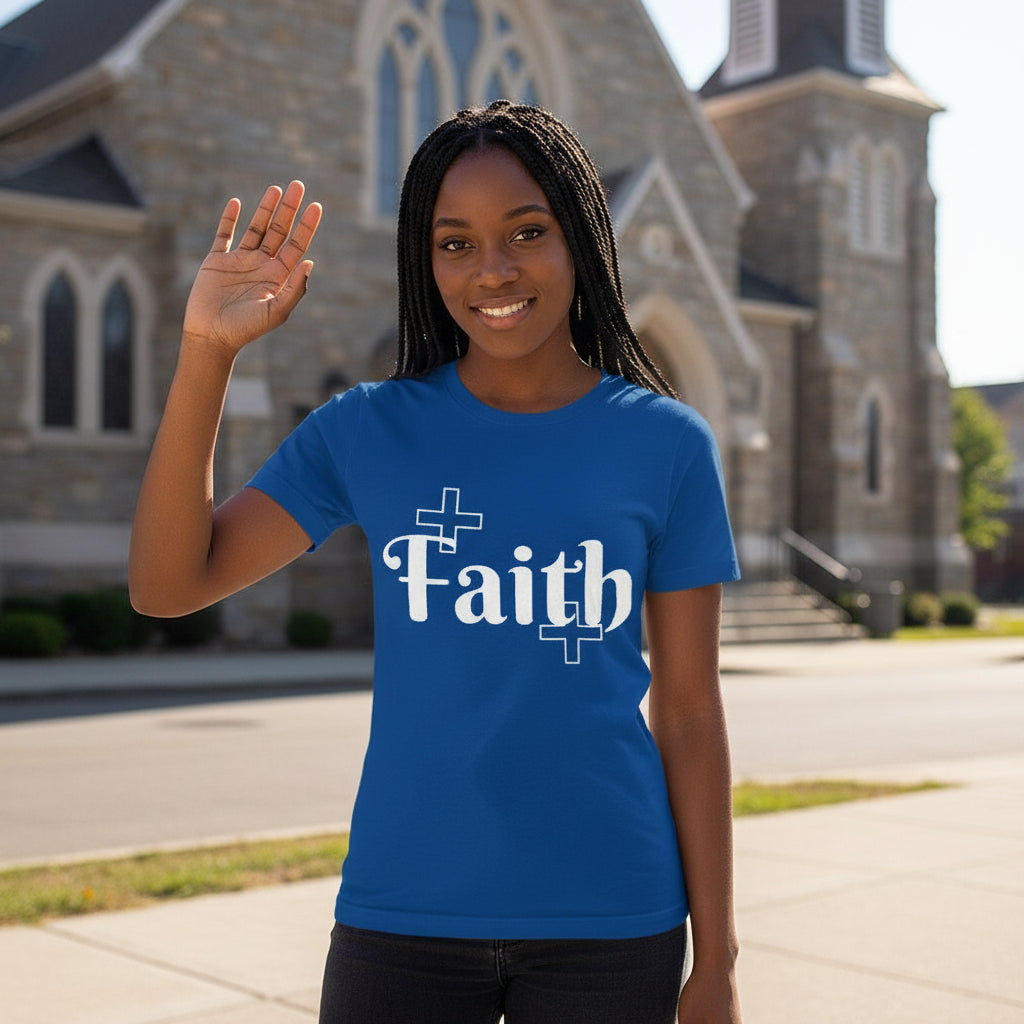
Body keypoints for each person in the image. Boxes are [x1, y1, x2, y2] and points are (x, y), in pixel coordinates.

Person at [130, 100, 743, 1024]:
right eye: (455, 243)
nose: (491, 270)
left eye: (526, 233)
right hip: (403, 915)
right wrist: (207, 354)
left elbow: (691, 713)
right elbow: (168, 584)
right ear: (426, 261)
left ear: (578, 237)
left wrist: (719, 959)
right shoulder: (366, 431)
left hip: (612, 920)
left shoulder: (666, 446)